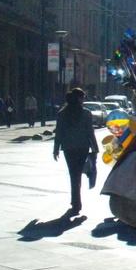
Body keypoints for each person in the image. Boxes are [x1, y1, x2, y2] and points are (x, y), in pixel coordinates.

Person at [53, 87, 99, 215]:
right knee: (78, 173)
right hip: (82, 147)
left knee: (74, 174)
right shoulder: (86, 113)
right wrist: (95, 148)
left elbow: (59, 132)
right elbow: (90, 132)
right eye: (83, 97)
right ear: (79, 98)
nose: (84, 100)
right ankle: (76, 201)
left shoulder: (62, 114)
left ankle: (76, 202)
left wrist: (55, 149)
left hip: (68, 147)